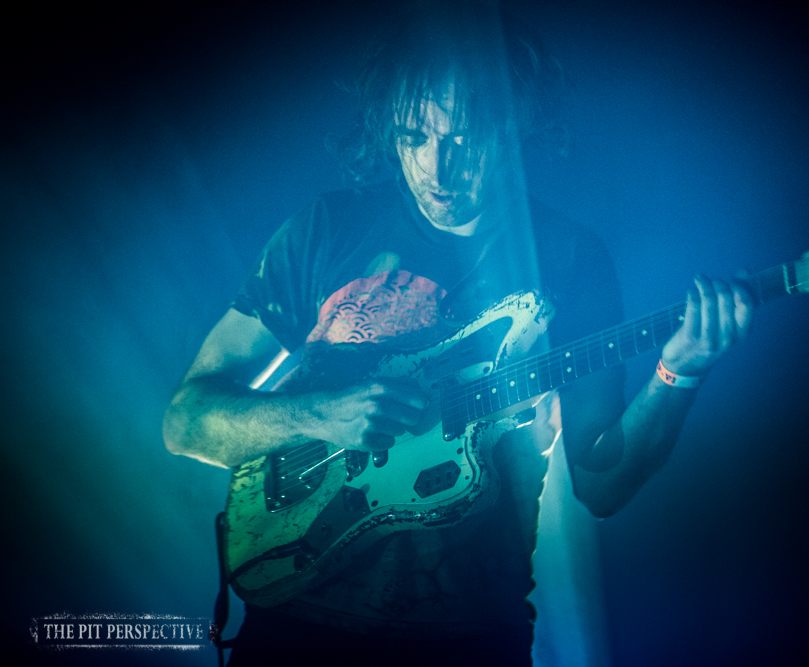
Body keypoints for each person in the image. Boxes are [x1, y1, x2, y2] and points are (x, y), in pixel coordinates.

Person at [163, 2, 751, 664]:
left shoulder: (570, 260)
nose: (438, 170)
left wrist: (680, 372)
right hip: (293, 631)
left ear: (516, 120)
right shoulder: (325, 229)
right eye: (415, 136)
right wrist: (323, 413)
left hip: (469, 640)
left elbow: (602, 483)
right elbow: (186, 422)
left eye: (465, 139)